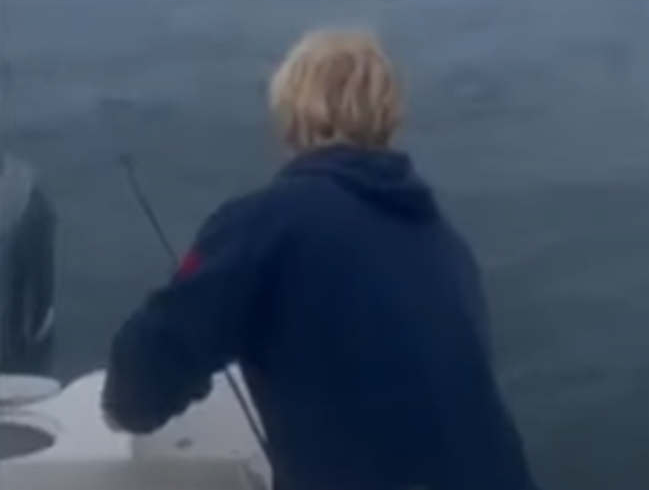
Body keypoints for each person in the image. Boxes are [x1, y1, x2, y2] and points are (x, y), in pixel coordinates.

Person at [101, 30, 540, 490]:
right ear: (389, 117)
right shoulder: (445, 243)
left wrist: (125, 408)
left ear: (291, 114)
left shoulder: (267, 222)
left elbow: (150, 359)